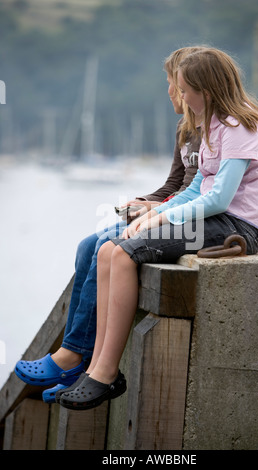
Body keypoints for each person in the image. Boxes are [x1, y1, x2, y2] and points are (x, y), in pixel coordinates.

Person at [57, 46, 258, 411]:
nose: (177, 94)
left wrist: (160, 218)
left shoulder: (241, 127)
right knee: (107, 249)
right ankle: (95, 365)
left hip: (238, 226)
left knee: (127, 254)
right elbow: (195, 188)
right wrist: (153, 213)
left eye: (182, 87)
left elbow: (221, 199)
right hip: (212, 218)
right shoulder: (212, 125)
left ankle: (107, 373)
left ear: (204, 91)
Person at [14, 46, 203, 402]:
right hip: (171, 209)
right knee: (88, 244)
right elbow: (173, 185)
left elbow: (198, 192)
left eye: (170, 83)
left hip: (183, 219)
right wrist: (143, 201)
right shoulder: (184, 129)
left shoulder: (211, 130)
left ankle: (74, 357)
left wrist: (154, 211)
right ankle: (77, 355)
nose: (167, 91)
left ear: (186, 87)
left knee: (105, 246)